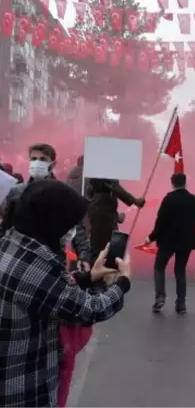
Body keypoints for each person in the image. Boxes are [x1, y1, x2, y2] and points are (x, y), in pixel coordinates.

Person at [0, 179, 131, 408]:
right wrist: (122, 283)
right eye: (69, 224)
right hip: (21, 389)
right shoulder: (36, 267)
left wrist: (89, 277)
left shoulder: (11, 244)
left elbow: (47, 294)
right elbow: (89, 309)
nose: (71, 231)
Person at [0, 144, 92, 267]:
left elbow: (76, 227)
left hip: (52, 259)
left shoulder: (61, 193)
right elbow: (6, 226)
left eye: (43, 159)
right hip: (20, 258)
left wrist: (84, 255)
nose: (37, 163)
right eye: (33, 159)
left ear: (52, 164)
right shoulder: (17, 191)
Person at [147, 173, 195, 314]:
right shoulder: (193, 199)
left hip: (168, 241)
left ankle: (160, 297)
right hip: (186, 241)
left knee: (159, 266)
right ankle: (181, 303)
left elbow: (161, 222)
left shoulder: (168, 199)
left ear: (172, 184)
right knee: (180, 270)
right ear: (185, 183)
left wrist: (151, 237)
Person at [87, 177, 145, 261]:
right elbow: (115, 187)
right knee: (105, 246)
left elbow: (95, 192)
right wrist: (135, 201)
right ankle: (99, 270)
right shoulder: (106, 172)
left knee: (101, 244)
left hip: (101, 211)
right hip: (102, 213)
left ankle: (99, 269)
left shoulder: (97, 177)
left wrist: (115, 216)